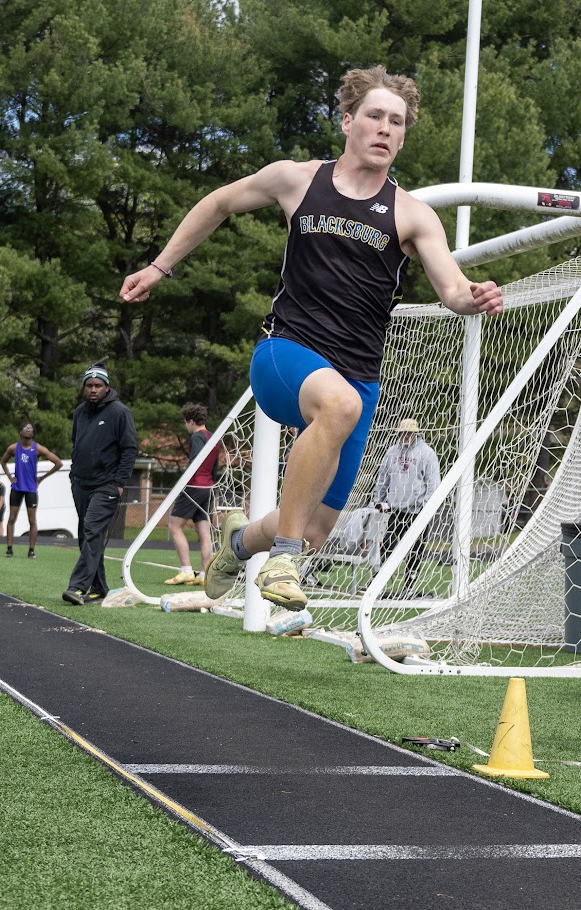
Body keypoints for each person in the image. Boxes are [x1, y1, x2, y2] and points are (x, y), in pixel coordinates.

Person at [119, 66, 505, 613]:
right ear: (347, 121)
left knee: (317, 528)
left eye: (396, 122)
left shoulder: (413, 215)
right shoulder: (296, 180)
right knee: (335, 414)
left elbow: (452, 289)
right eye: (374, 116)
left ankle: (238, 542)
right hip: (285, 354)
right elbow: (218, 203)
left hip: (358, 379)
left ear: (402, 136)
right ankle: (281, 557)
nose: (385, 128)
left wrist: (475, 297)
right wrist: (160, 267)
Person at [64, 367, 139, 605]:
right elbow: (76, 444)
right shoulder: (79, 413)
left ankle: (77, 586)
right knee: (85, 535)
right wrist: (74, 475)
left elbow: (130, 448)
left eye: (98, 385)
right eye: (89, 385)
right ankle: (99, 588)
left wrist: (119, 483)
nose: (93, 389)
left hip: (107, 484)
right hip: (81, 483)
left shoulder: (120, 412)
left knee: (92, 530)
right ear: (84, 388)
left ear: (107, 387)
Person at [371, 417, 442, 595]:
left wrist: (426, 507)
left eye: (409, 433)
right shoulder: (392, 452)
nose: (405, 436)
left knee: (415, 551)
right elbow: (383, 478)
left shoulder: (427, 453)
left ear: (415, 433)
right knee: (386, 546)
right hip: (395, 510)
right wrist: (377, 500)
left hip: (417, 511)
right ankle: (376, 584)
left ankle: (409, 587)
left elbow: (433, 483)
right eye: (402, 433)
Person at [165, 403, 220, 586]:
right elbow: (215, 466)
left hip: (194, 485)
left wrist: (183, 483)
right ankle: (204, 575)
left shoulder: (197, 436)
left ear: (190, 421)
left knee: (175, 525)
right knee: (204, 531)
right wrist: (210, 483)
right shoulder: (213, 437)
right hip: (208, 487)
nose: (185, 426)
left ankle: (186, 570)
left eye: (185, 422)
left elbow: (195, 460)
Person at [0, 421, 63, 558]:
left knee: (32, 520)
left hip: (31, 489)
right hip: (17, 488)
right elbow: (3, 462)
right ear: (20, 432)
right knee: (11, 518)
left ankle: (31, 551)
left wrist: (42, 478)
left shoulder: (38, 448)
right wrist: (10, 477)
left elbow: (58, 463)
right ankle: (9, 549)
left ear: (33, 433)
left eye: (30, 428)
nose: (28, 429)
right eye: (25, 427)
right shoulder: (13, 448)